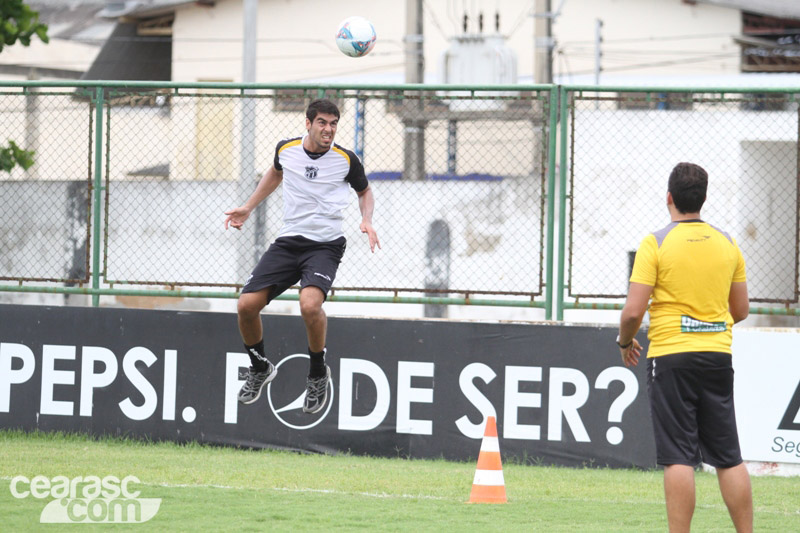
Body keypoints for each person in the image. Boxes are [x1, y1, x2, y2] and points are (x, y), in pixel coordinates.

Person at [617, 162, 752, 533]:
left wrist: (625, 342)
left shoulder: (655, 242)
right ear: (703, 199)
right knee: (729, 457)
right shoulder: (728, 243)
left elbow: (632, 311)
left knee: (678, 456)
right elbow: (740, 310)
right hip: (717, 356)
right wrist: (709, 324)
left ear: (669, 198)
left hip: (671, 357)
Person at [224, 98, 380, 414]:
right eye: (322, 122)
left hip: (324, 246)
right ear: (308, 123)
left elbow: (364, 191)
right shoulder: (287, 150)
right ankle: (259, 367)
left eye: (334, 123)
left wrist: (367, 219)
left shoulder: (346, 160)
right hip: (288, 243)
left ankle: (318, 371)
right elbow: (276, 173)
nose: (329, 129)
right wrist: (249, 206)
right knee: (246, 306)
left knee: (309, 305)